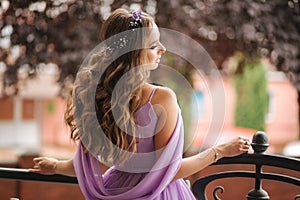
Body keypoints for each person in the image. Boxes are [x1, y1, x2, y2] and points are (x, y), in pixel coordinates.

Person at [29, 8, 251, 199]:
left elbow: (89, 165)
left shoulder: (98, 99)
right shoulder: (162, 99)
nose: (163, 49)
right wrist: (220, 151)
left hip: (116, 189)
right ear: (134, 53)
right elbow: (168, 172)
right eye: (154, 45)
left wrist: (56, 166)